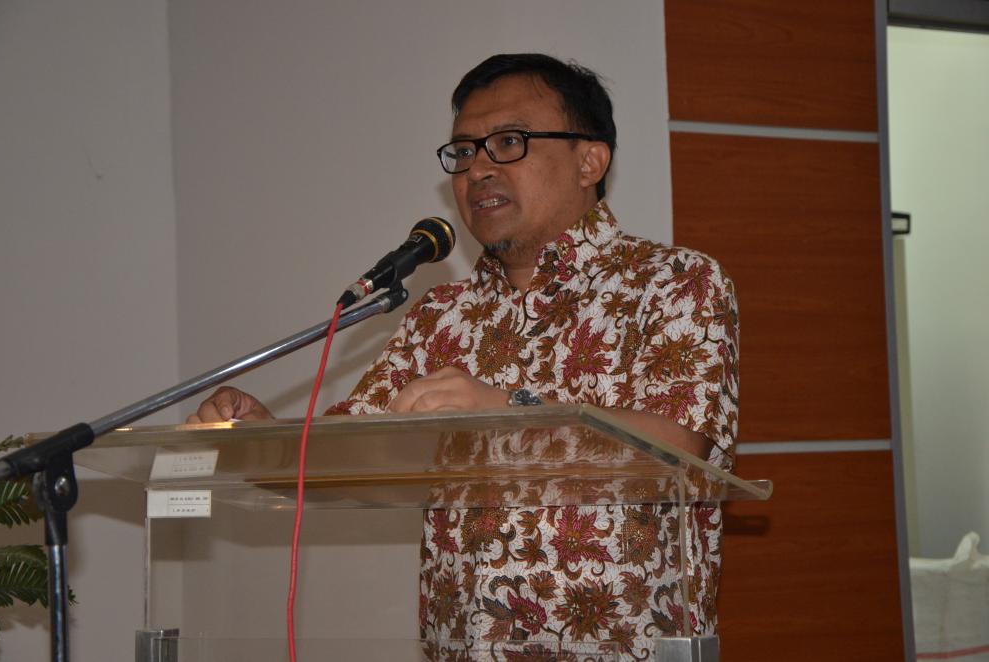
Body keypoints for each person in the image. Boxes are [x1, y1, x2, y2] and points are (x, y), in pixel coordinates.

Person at [190, 53, 738, 655]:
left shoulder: (674, 283)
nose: (478, 169)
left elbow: (677, 451)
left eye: (508, 142)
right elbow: (349, 452)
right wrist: (259, 436)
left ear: (590, 161)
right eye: (464, 151)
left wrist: (506, 409)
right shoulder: (440, 315)